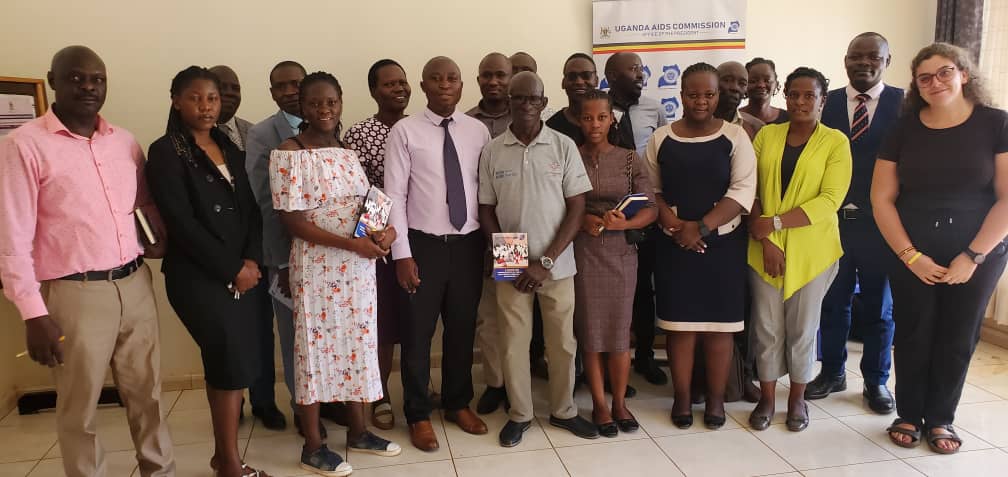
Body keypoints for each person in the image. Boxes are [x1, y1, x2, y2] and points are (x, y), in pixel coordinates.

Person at [0, 45, 174, 477]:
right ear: (54, 80)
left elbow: (143, 203)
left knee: (148, 394)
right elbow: (11, 238)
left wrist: (155, 236)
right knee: (80, 406)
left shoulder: (124, 142)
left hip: (134, 284)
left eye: (97, 79)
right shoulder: (23, 146)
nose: (89, 87)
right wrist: (33, 313)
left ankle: (160, 470)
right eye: (77, 78)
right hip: (73, 294)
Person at [875, 42, 1008, 454]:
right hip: (912, 252)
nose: (936, 82)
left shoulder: (996, 123)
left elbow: (1007, 197)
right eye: (925, 77)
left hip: (978, 253)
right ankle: (909, 413)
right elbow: (881, 198)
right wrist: (910, 256)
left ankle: (941, 418)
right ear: (916, 85)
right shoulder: (904, 129)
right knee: (914, 332)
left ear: (964, 74)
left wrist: (973, 256)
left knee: (958, 335)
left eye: (945, 72)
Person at [270, 72, 402, 476]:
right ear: (302, 107)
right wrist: (352, 245)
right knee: (313, 351)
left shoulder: (346, 151)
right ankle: (313, 445)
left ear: (341, 102)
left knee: (358, 346)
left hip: (359, 271)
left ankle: (359, 433)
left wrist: (384, 230)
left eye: (331, 102)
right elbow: (293, 222)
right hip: (317, 269)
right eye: (315, 103)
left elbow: (363, 206)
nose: (324, 110)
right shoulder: (288, 152)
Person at [147, 65, 270, 477]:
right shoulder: (166, 151)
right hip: (199, 277)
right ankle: (230, 464)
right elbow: (181, 222)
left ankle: (223, 455)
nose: (205, 106)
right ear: (176, 100)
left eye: (212, 98)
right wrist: (232, 267)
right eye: (195, 97)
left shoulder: (230, 145)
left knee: (231, 365)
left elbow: (253, 211)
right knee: (228, 360)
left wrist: (251, 261)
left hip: (244, 272)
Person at [478, 71, 599, 447]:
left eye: (533, 99)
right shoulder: (493, 149)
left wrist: (544, 261)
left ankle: (563, 411)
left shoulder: (563, 146)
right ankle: (520, 414)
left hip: (557, 266)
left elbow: (577, 208)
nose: (525, 105)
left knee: (562, 342)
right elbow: (486, 209)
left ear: (544, 103)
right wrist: (513, 261)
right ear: (509, 102)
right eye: (518, 98)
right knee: (513, 342)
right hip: (511, 266)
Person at [385, 56, 490, 452]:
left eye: (452, 78)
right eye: (436, 78)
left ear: (463, 86)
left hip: (468, 245)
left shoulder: (478, 131)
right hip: (422, 246)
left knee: (462, 328)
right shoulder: (405, 131)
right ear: (423, 85)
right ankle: (417, 414)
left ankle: (457, 403)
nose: (445, 84)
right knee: (417, 333)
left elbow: (487, 190)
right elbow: (394, 194)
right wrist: (402, 255)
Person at [645, 63, 757, 430]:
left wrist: (702, 228)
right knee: (680, 328)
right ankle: (680, 398)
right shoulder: (661, 137)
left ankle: (714, 400)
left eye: (708, 94)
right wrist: (678, 228)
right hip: (674, 245)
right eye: (693, 94)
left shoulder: (735, 137)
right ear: (681, 96)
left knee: (719, 328)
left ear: (717, 96)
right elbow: (652, 191)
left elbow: (741, 192)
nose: (701, 101)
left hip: (722, 247)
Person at [746, 67, 851, 433]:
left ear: (823, 100)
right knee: (766, 328)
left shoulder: (836, 142)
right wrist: (766, 239)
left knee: (804, 329)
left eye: (810, 95)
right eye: (794, 94)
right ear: (784, 96)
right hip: (763, 249)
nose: (801, 101)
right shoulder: (767, 136)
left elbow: (830, 200)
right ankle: (768, 397)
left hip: (813, 252)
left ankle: (797, 400)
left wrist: (774, 225)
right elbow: (751, 189)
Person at [247, 60, 342, 435]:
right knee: (295, 337)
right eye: (281, 86)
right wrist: (281, 263)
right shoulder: (263, 134)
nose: (289, 91)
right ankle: (303, 411)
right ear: (273, 93)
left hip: (332, 258)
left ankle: (327, 403)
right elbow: (266, 202)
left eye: (295, 84)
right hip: (288, 255)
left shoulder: (329, 127)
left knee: (327, 335)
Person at [809, 32, 903, 414]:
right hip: (832, 225)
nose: (863, 63)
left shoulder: (905, 103)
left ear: (886, 61)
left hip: (882, 225)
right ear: (845, 60)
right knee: (833, 302)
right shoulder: (825, 103)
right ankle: (832, 371)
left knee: (880, 309)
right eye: (855, 57)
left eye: (872, 57)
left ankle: (876, 382)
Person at [574, 89, 657, 437]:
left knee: (620, 333)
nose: (595, 124)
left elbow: (651, 207)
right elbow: (558, 205)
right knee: (591, 333)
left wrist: (627, 223)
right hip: (583, 252)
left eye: (601, 117)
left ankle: (620, 402)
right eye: (588, 117)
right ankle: (599, 404)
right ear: (579, 120)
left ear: (612, 120)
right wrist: (582, 221)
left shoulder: (628, 159)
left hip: (622, 254)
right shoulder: (569, 155)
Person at [342, 58, 411, 431]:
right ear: (373, 90)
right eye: (389, 84)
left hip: (424, 238)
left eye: (402, 82)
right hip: (380, 243)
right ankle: (381, 394)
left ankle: (418, 389)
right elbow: (358, 194)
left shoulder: (422, 127)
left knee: (416, 321)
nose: (398, 88)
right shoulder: (359, 134)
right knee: (382, 325)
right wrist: (380, 237)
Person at [605, 51, 669, 386]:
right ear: (612, 75)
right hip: (608, 216)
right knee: (612, 293)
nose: (641, 75)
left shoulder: (654, 109)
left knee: (644, 289)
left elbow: (663, 155)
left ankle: (644, 356)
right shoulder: (598, 113)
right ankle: (609, 363)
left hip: (645, 213)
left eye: (642, 69)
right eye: (633, 70)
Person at [546, 53, 604, 145]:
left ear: (596, 81)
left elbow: (629, 157)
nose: (579, 82)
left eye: (586, 75)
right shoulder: (551, 128)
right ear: (563, 83)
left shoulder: (614, 122)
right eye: (572, 76)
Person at [715, 61, 766, 140]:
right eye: (727, 80)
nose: (735, 88)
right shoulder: (694, 122)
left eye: (742, 83)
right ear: (713, 82)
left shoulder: (757, 128)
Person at [467, 52, 512, 137]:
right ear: (478, 80)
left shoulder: (523, 118)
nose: (493, 82)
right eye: (486, 75)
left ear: (511, 79)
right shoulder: (465, 121)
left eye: (500, 75)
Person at [209, 65, 253, 151]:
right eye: (222, 87)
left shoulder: (254, 132)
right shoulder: (189, 133)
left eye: (235, 88)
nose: (230, 93)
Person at [740, 58, 789, 125]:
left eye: (767, 80)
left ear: (776, 85)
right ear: (744, 85)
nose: (761, 85)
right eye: (753, 81)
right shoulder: (734, 118)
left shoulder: (788, 119)